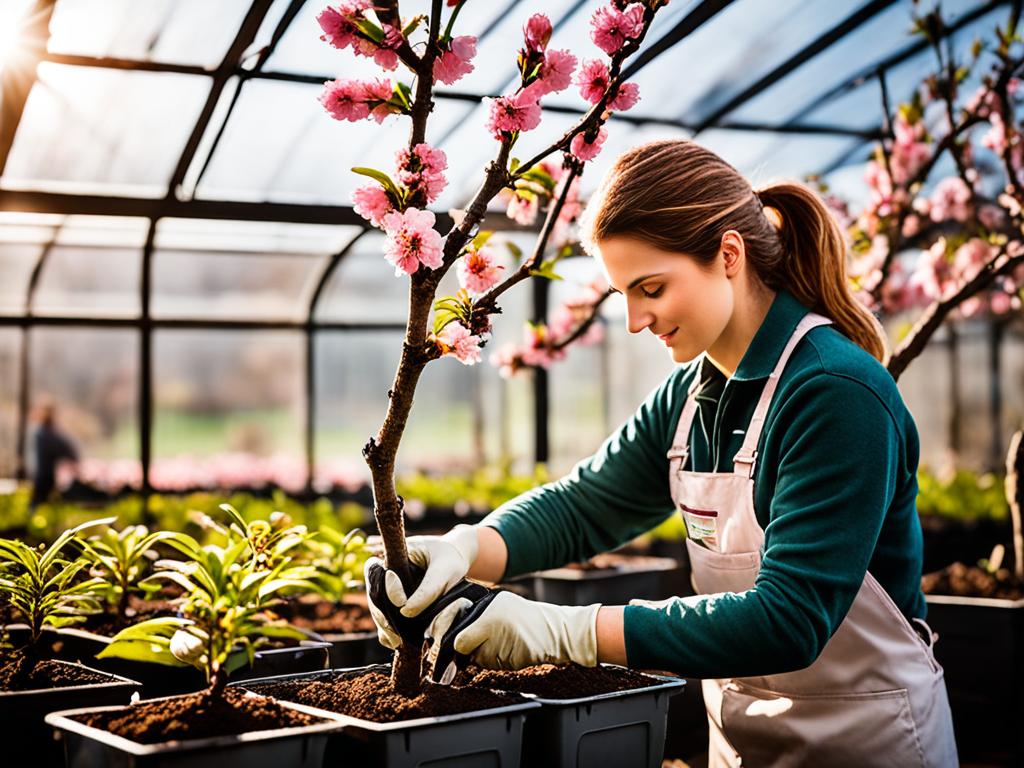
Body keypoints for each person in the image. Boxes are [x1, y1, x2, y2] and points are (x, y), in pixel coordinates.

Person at [366, 139, 958, 766]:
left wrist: (564, 631)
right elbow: (586, 506)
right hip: (744, 743)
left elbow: (790, 619)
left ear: (728, 255)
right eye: (624, 292)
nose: (634, 320)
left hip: (872, 741)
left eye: (650, 287)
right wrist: (462, 549)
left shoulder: (835, 393)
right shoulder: (691, 394)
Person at [29, 400, 79, 509]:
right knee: (39, 503)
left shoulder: (46, 433)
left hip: (46, 475)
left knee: (38, 504)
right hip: (44, 475)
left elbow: (69, 451)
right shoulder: (44, 433)